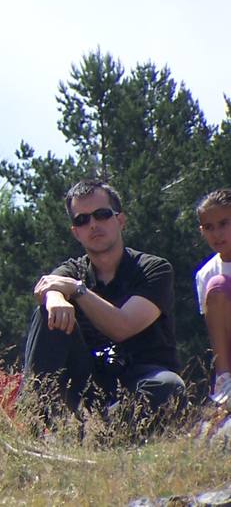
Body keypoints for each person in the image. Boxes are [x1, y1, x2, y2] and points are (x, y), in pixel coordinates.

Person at [23, 179, 186, 423]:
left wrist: (78, 291)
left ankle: (108, 435)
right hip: (86, 379)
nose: (93, 225)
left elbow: (123, 327)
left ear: (120, 220)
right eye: (82, 220)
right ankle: (34, 420)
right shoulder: (72, 270)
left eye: (102, 215)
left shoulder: (154, 269)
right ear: (75, 232)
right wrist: (55, 298)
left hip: (141, 375)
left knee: (168, 387)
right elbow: (48, 285)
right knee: (48, 314)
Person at [195, 188, 231, 405]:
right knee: (217, 287)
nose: (216, 234)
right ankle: (225, 382)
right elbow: (217, 332)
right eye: (209, 227)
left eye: (224, 224)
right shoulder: (206, 274)